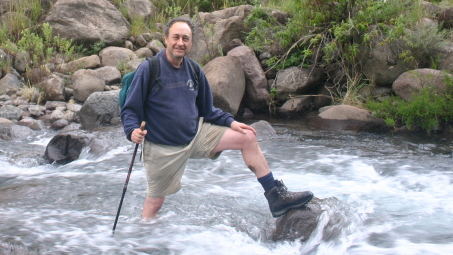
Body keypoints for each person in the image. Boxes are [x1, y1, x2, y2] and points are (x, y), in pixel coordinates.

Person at [120, 16, 313, 220]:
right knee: (155, 203)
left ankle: (275, 197)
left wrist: (231, 121)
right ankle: (144, 239)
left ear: (191, 42)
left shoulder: (194, 70)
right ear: (166, 39)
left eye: (186, 38)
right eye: (176, 37)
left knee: (247, 137)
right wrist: (132, 130)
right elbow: (130, 109)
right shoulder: (149, 69)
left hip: (196, 135)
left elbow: (207, 110)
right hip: (163, 147)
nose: (180, 43)